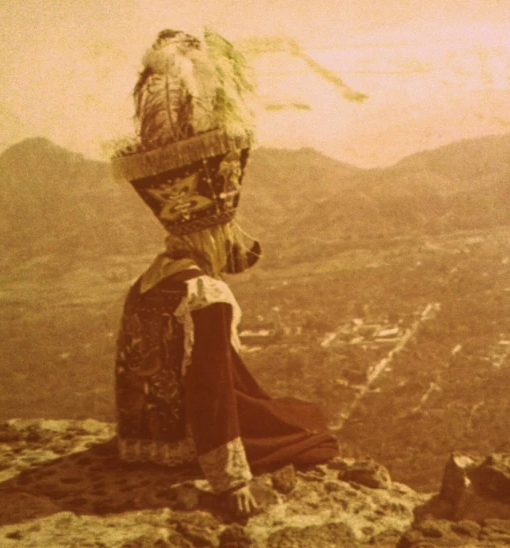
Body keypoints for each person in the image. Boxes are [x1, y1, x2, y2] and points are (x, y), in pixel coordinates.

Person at [111, 29, 339, 515]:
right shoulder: (205, 292)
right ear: (214, 233)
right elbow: (210, 390)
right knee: (314, 435)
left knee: (293, 412)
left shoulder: (153, 277)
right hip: (193, 442)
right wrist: (230, 480)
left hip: (144, 442)